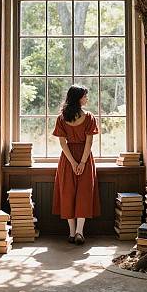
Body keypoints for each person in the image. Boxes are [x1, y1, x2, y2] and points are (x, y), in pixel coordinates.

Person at [52, 85, 100, 245]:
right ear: (78, 98)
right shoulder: (89, 117)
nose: (87, 99)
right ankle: (80, 231)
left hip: (67, 159)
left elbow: (63, 143)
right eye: (85, 96)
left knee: (68, 193)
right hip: (84, 158)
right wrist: (82, 162)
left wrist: (72, 163)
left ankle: (72, 233)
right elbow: (89, 142)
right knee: (84, 194)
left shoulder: (61, 118)